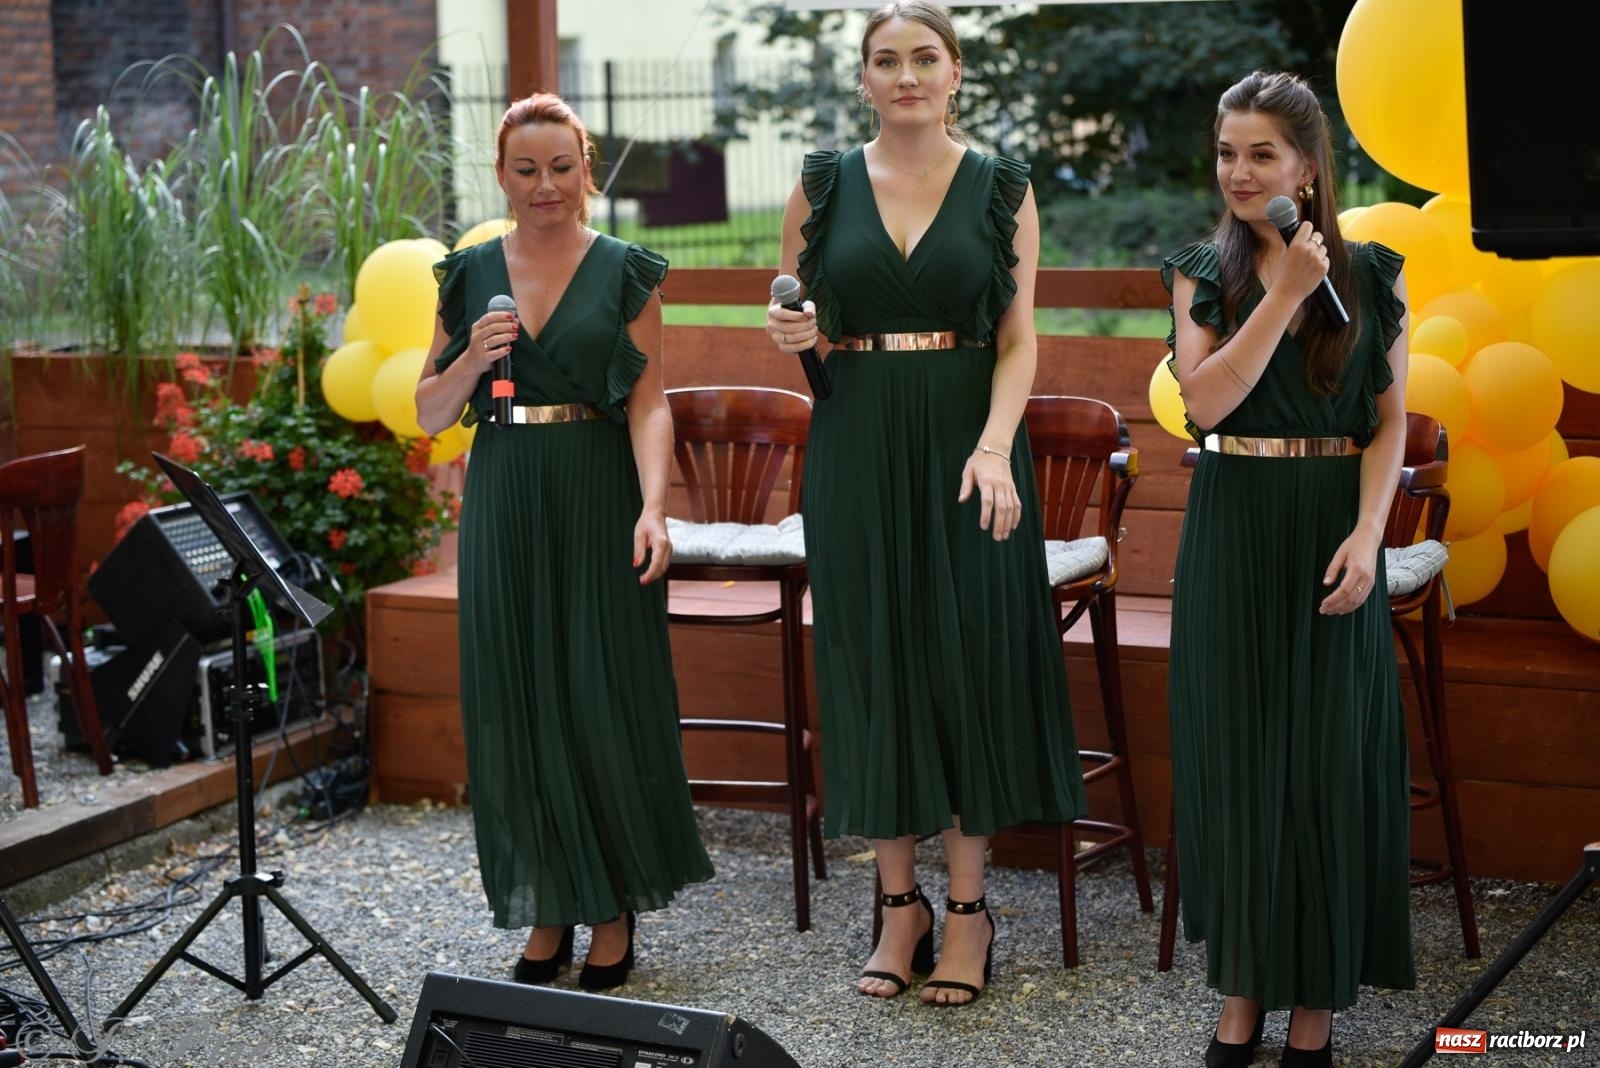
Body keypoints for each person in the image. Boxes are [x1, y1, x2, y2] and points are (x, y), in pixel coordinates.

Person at [766, 0, 1086, 1007]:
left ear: (955, 72)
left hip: (967, 444)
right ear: (862, 78)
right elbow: (800, 322)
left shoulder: (1002, 186)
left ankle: (968, 912)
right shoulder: (819, 184)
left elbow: (1018, 336)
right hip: (857, 443)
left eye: (923, 58)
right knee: (875, 661)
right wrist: (794, 337)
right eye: (883, 61)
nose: (904, 76)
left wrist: (996, 447)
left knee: (969, 661)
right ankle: (896, 904)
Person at [414, 93, 712, 992]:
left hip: (597, 489)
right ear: (501, 177)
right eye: (524, 169)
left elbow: (650, 402)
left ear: (587, 167)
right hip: (505, 490)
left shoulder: (627, 271)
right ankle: (547, 904)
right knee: (517, 696)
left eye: (561, 166)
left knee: (600, 691)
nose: (545, 185)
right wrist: (470, 358)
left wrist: (654, 507)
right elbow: (428, 415)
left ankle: (613, 906)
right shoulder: (464, 276)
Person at [1162, 71, 1415, 1067]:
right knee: (1238, 767)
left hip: (1329, 532)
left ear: (1308, 168)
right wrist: (1281, 294)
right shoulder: (1199, 271)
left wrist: (1368, 532)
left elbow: (1388, 419)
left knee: (1319, 765)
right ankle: (1241, 995)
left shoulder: (1379, 272)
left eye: (1260, 153)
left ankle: (1312, 1008)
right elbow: (1204, 405)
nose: (1237, 171)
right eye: (1226, 152)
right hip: (1233, 528)